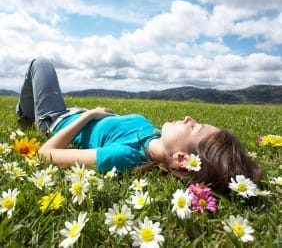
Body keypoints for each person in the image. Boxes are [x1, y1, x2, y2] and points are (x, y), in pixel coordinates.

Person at [16, 58, 263, 193]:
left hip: (58, 119)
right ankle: (25, 111)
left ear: (180, 159)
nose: (189, 118)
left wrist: (89, 115)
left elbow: (46, 154)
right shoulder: (157, 136)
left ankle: (24, 115)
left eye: (194, 128)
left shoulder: (124, 156)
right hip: (78, 113)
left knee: (41, 64)